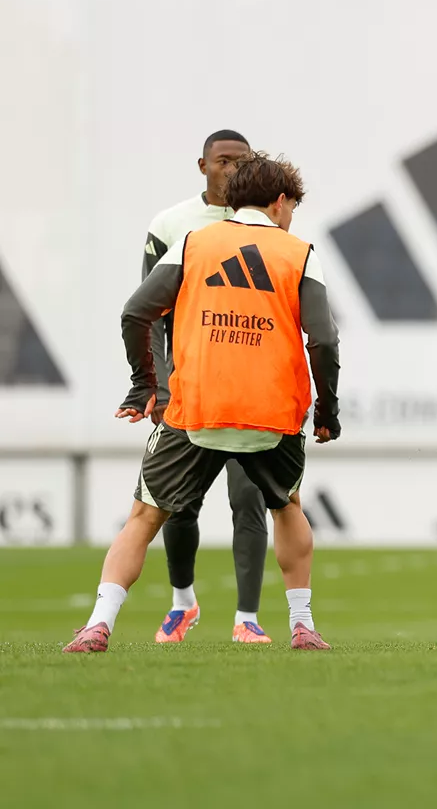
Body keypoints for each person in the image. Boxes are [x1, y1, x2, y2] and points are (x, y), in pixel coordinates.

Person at [65, 153, 341, 653]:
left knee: (145, 517)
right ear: (280, 202)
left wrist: (144, 381)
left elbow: (135, 312)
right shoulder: (298, 252)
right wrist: (326, 412)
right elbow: (323, 339)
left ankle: (97, 624)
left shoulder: (193, 243)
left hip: (194, 408)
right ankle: (302, 625)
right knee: (287, 507)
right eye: (292, 206)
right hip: (270, 413)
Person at [142, 129, 277, 644]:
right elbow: (148, 312)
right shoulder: (172, 225)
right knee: (178, 504)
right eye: (223, 161)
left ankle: (247, 618)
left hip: (249, 395)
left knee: (249, 501)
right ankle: (183, 601)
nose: (232, 170)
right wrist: (155, 383)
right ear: (202, 166)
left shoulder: (270, 224)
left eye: (241, 162)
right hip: (190, 389)